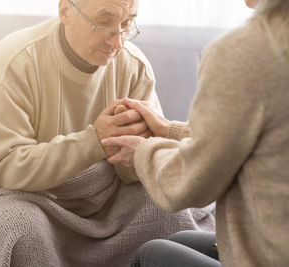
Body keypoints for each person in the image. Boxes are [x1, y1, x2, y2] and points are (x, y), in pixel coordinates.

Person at [0, 0, 215, 265]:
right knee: (15, 224)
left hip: (105, 192)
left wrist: (137, 147)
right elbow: (5, 168)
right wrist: (94, 141)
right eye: (104, 21)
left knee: (167, 209)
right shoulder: (16, 61)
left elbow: (136, 174)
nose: (118, 42)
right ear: (65, 11)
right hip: (30, 193)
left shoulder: (134, 66)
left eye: (127, 23)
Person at [101, 0, 289, 266]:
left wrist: (142, 151)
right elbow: (250, 138)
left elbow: (191, 184)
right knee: (181, 240)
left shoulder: (244, 52)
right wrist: (169, 130)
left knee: (150, 254)